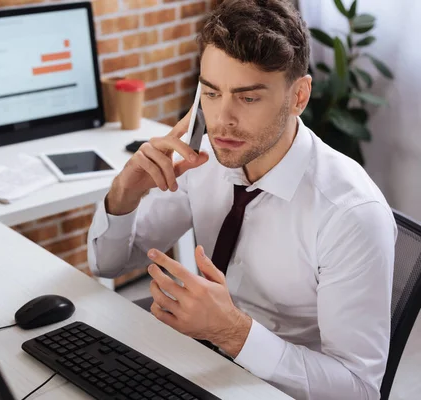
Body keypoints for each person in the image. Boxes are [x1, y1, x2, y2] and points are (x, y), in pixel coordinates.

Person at [87, 0, 397, 399]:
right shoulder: (203, 157)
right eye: (211, 93)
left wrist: (232, 332)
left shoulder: (351, 214)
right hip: (193, 365)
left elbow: (359, 389)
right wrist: (125, 193)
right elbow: (108, 265)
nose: (221, 121)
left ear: (299, 96)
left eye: (248, 98)